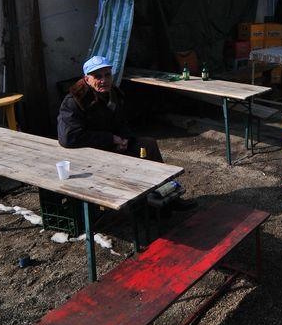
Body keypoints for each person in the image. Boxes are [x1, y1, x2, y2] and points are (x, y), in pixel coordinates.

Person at [58, 55, 195, 210]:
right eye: (97, 76)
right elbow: (68, 137)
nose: (104, 80)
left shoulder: (114, 94)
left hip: (112, 144)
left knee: (148, 145)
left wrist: (124, 139)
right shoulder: (75, 101)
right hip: (91, 151)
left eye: (107, 75)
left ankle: (168, 197)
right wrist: (110, 139)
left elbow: (122, 122)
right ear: (87, 79)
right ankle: (140, 206)